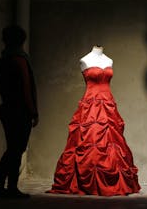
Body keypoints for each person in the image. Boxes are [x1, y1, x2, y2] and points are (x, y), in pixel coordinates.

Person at [47, 45, 140, 196]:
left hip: (108, 105)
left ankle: (113, 182)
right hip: (90, 105)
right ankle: (87, 181)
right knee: (89, 139)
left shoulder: (109, 60)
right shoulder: (84, 60)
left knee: (112, 143)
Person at [0, 25, 39, 198]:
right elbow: (26, 88)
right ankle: (9, 187)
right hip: (20, 110)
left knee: (12, 148)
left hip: (8, 108)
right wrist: (33, 111)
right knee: (16, 149)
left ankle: (1, 185)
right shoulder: (20, 59)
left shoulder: (3, 59)